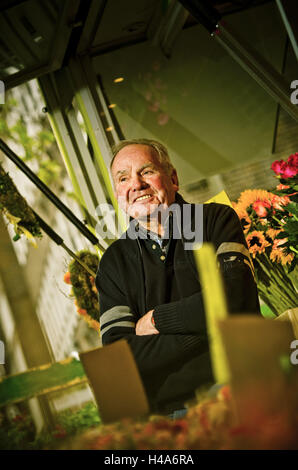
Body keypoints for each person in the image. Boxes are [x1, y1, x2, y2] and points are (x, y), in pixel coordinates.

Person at [95, 138, 260, 417]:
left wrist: (159, 319)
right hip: (174, 415)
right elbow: (119, 358)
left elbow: (236, 298)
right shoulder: (113, 263)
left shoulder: (215, 220)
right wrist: (209, 327)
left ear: (173, 178)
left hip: (245, 388)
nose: (136, 185)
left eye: (146, 171)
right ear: (118, 195)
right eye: (123, 178)